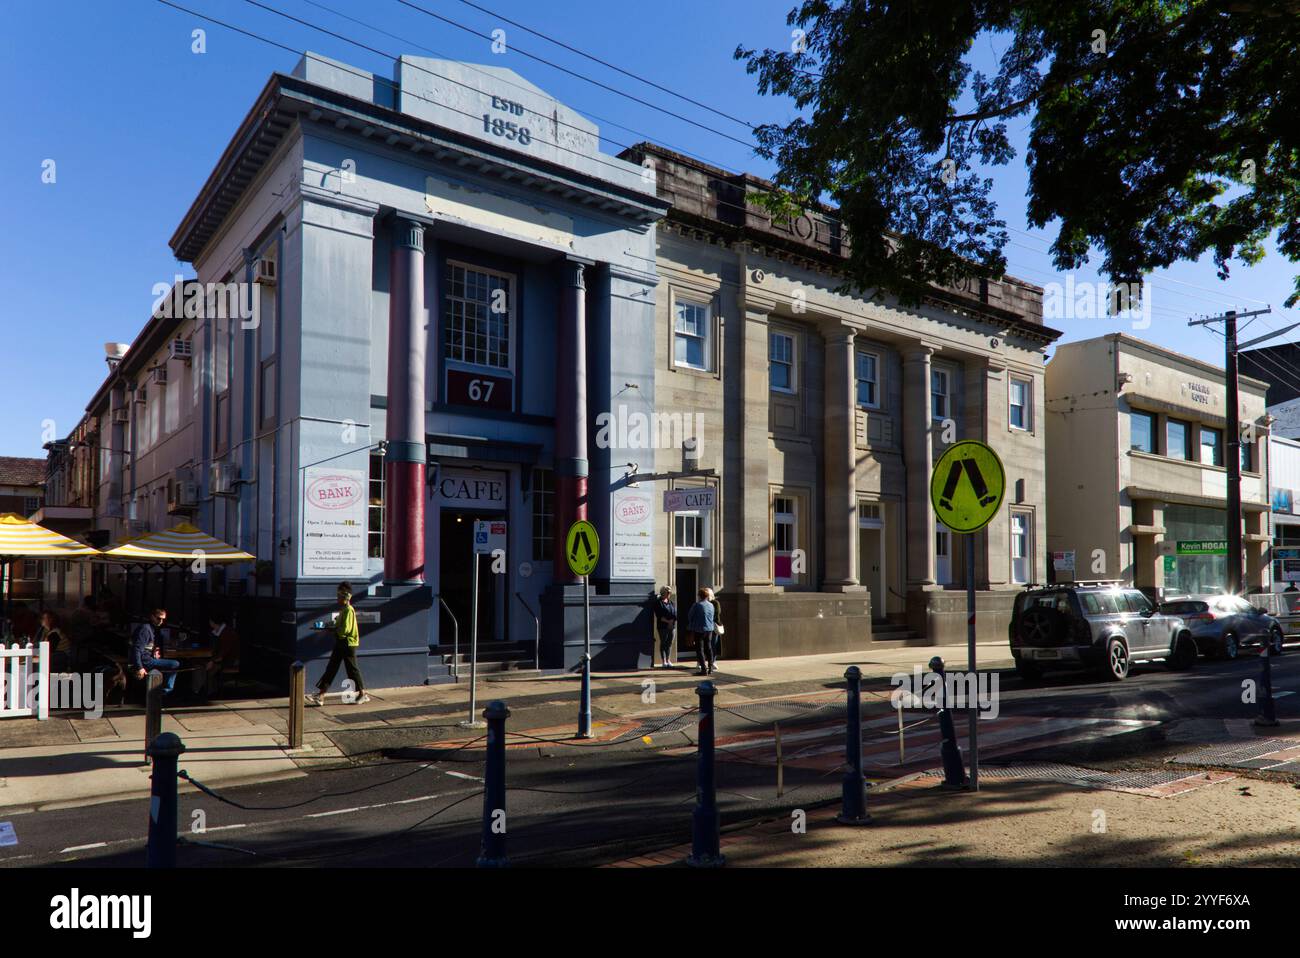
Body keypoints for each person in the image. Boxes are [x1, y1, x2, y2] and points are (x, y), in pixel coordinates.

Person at [307, 582, 370, 705]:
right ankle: (321, 695)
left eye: (339, 596)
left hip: (347, 643)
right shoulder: (344, 610)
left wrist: (332, 629)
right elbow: (339, 625)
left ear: (345, 597)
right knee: (332, 668)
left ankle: (363, 694)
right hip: (342, 643)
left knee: (352, 669)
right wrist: (329, 626)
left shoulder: (348, 610)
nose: (337, 598)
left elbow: (345, 629)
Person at [130, 608, 181, 695]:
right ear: (152, 617)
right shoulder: (145, 629)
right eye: (158, 618)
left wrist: (155, 651)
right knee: (175, 664)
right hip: (145, 661)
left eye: (163, 619)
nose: (161, 621)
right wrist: (140, 667)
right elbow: (137, 649)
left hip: (148, 658)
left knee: (171, 664)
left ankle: (161, 689)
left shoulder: (154, 629)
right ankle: (166, 691)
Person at [200, 610, 241, 699]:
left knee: (205, 669)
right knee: (201, 666)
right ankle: (206, 690)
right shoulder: (218, 631)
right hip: (223, 658)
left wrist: (212, 661)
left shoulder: (227, 633)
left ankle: (207, 692)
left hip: (229, 660)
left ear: (212, 622)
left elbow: (223, 653)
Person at [687, 588, 716, 676]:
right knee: (709, 648)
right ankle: (710, 668)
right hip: (709, 629)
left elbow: (690, 616)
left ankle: (703, 669)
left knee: (700, 650)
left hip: (699, 630)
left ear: (699, 596)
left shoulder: (697, 605)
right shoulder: (711, 605)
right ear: (707, 596)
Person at [654, 587, 677, 668]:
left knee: (669, 643)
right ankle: (663, 661)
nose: (669, 594)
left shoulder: (671, 602)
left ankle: (668, 660)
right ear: (664, 593)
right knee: (663, 642)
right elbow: (659, 616)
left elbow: (675, 614)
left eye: (670, 592)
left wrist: (672, 621)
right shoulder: (658, 603)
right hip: (663, 626)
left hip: (672, 626)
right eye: (668, 592)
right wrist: (668, 622)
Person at [705, 587, 724, 667]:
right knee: (705, 645)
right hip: (705, 627)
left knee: (713, 644)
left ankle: (713, 661)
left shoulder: (715, 603)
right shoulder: (703, 603)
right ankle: (702, 661)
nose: (707, 596)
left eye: (708, 595)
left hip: (714, 627)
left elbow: (717, 614)